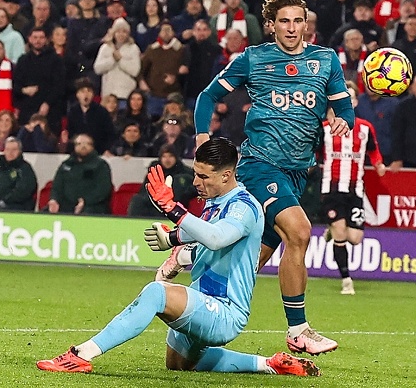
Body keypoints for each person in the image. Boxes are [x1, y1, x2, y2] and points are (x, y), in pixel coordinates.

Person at [37, 138, 321, 377]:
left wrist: (173, 209)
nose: (196, 181)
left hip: (225, 312)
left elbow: (216, 237)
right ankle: (270, 364)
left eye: (204, 176)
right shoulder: (216, 204)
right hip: (203, 300)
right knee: (179, 364)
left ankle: (80, 355)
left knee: (155, 294)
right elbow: (201, 235)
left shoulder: (243, 206)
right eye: (196, 173)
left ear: (226, 175)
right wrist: (172, 242)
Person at [190, 0, 353, 355]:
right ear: (271, 25)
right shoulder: (254, 58)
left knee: (249, 259)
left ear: (306, 23)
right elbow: (206, 97)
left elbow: (345, 108)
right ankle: (298, 330)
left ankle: (192, 285)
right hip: (260, 164)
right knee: (300, 232)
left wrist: (343, 120)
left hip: (297, 172)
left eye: (298, 20)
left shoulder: (325, 61)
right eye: (284, 21)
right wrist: (203, 138)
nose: (293, 28)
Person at [320, 85, 386, 295]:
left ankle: (331, 230)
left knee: (355, 238)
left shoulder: (366, 128)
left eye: (351, 98)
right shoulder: (324, 128)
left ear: (356, 102)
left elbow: (374, 152)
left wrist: (379, 165)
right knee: (341, 233)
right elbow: (312, 152)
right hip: (331, 188)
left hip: (355, 189)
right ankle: (346, 280)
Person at [47, 133, 112, 215]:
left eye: (87, 144)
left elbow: (103, 189)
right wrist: (54, 199)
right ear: (74, 146)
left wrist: (85, 201)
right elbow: (56, 186)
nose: (83, 146)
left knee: (87, 213)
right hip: (66, 205)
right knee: (45, 213)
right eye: (79, 144)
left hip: (93, 206)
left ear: (92, 147)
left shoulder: (100, 165)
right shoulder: (66, 164)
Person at [0, 137, 38, 211]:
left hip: (16, 205)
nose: (10, 152)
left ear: (19, 151)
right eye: (7, 149)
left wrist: (6, 201)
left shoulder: (25, 168)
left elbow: (23, 191)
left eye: (14, 150)